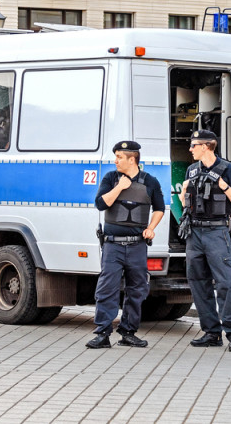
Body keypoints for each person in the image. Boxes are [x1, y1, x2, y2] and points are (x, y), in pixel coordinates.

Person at [86, 141, 165, 349]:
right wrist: (119, 187)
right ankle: (102, 333)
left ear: (132, 159)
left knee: (137, 289)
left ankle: (128, 332)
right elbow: (100, 204)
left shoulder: (150, 181)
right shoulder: (111, 178)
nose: (115, 161)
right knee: (107, 289)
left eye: (119, 157)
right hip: (112, 246)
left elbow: (159, 208)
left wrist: (151, 227)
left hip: (137, 246)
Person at [181, 130, 231, 352]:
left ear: (207, 146)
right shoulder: (191, 170)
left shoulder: (228, 170)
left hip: (217, 232)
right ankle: (211, 332)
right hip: (194, 233)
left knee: (227, 282)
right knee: (197, 282)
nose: (190, 149)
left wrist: (223, 185)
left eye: (193, 145)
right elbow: (185, 203)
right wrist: (182, 193)